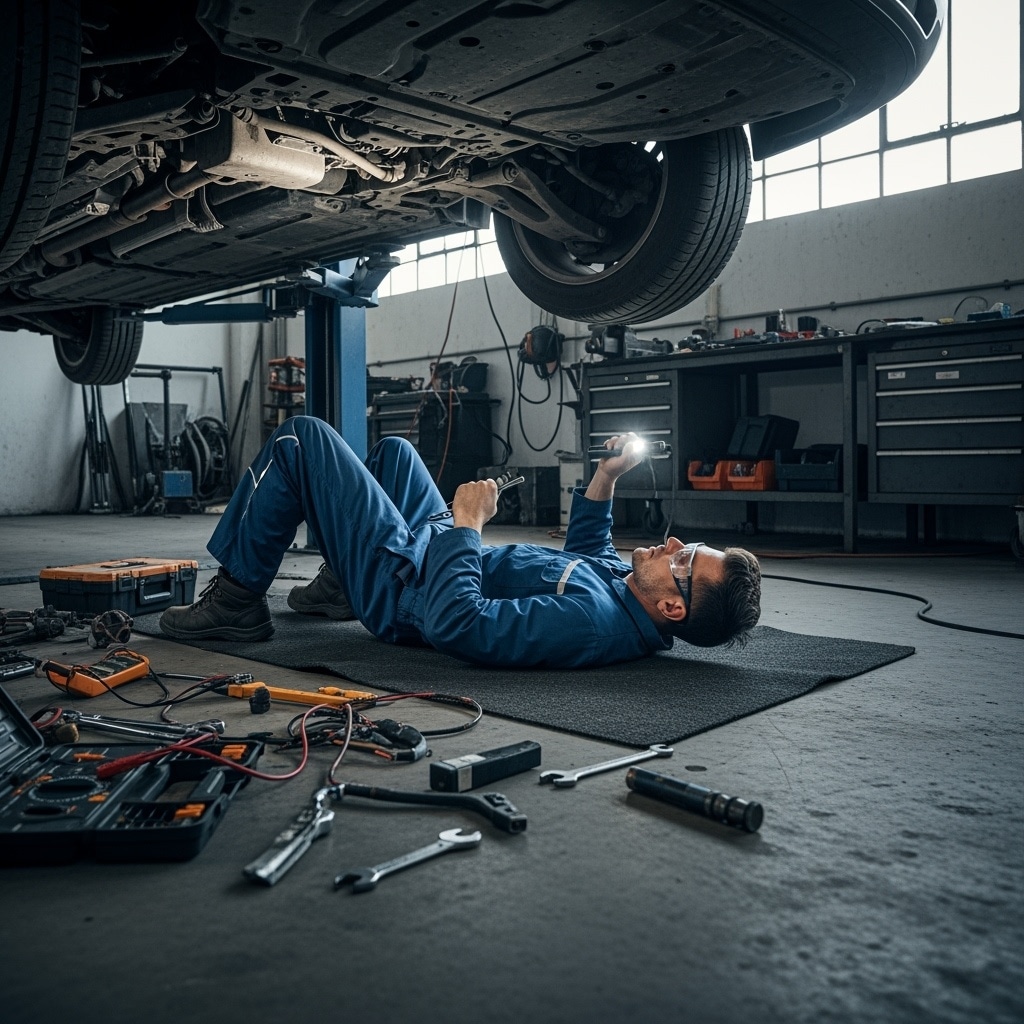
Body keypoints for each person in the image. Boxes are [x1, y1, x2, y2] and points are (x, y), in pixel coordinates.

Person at [160, 416, 761, 668]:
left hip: (403, 591)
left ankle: (237, 603)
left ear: (674, 607)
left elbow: (459, 624)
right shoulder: (624, 595)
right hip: (432, 555)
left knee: (301, 440)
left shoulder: (590, 625)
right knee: (395, 452)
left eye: (685, 560)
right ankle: (339, 582)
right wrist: (605, 477)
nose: (675, 542)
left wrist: (469, 526)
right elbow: (590, 551)